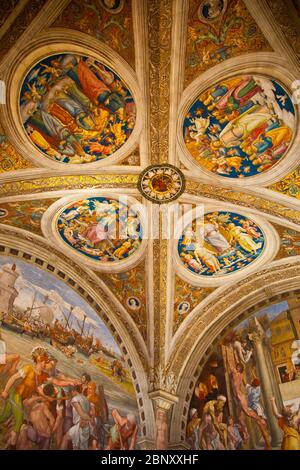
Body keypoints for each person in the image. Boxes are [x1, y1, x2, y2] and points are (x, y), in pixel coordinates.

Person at [0, 347, 50, 449]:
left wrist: (46, 397)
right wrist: (5, 391)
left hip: (21, 398)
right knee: (19, 420)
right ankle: (12, 446)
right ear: (39, 360)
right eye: (45, 362)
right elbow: (14, 378)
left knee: (4, 416)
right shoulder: (28, 368)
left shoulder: (43, 376)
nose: (46, 364)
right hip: (16, 396)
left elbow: (39, 388)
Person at [18, 384, 57, 450]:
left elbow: (52, 419)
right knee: (23, 428)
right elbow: (28, 402)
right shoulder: (28, 408)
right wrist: (40, 397)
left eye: (34, 396)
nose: (32, 399)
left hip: (45, 435)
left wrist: (50, 430)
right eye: (31, 397)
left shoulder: (42, 406)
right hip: (35, 435)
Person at [60, 385, 92, 450]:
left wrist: (90, 419)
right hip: (86, 425)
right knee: (81, 446)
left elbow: (81, 413)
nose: (71, 395)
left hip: (80, 425)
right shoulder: (85, 398)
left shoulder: (75, 399)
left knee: (66, 439)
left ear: (73, 391)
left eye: (71, 393)